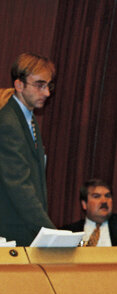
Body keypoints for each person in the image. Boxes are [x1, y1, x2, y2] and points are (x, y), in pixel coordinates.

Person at [0, 53, 56, 246]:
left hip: (25, 230)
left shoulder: (27, 119)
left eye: (48, 85)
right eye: (40, 85)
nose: (47, 93)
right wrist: (50, 232)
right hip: (11, 232)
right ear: (19, 85)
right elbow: (19, 185)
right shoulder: (8, 122)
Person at [62, 179, 117, 246]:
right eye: (97, 196)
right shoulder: (69, 233)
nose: (104, 201)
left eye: (107, 196)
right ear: (84, 204)